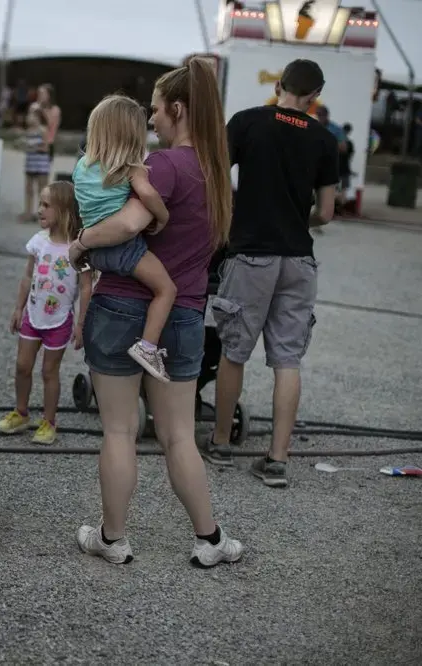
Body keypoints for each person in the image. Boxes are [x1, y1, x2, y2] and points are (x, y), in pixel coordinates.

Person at [69, 58, 243, 568]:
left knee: (120, 431)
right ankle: (210, 540)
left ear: (178, 109)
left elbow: (126, 224)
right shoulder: (215, 173)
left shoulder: (163, 167)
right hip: (186, 314)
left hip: (122, 304)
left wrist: (79, 243)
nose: (152, 120)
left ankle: (113, 537)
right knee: (180, 436)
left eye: (156, 110)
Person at [205, 59, 338, 488]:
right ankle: (277, 460)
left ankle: (222, 443)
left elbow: (215, 180)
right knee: (287, 359)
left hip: (251, 255)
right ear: (315, 96)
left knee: (234, 350)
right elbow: (328, 213)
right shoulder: (324, 139)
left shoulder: (246, 123)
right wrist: (299, 220)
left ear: (279, 84)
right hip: (299, 259)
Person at [71, 95, 175, 382]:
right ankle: (148, 346)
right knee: (166, 290)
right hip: (124, 248)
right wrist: (163, 218)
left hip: (96, 250)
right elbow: (150, 195)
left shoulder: (81, 166)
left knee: (91, 292)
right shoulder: (131, 168)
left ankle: (83, 328)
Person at [0, 181, 92, 445]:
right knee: (22, 366)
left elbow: (86, 287)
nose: (40, 210)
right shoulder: (38, 242)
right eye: (40, 204)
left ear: (64, 210)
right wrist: (18, 307)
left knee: (50, 372)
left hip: (59, 321)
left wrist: (81, 324)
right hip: (33, 316)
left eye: (46, 205)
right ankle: (21, 412)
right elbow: (27, 276)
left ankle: (49, 422)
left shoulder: (78, 248)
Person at [20, 106, 51, 221]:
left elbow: (46, 148)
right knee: (28, 189)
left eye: (32, 115)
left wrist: (32, 147)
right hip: (30, 163)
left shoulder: (42, 130)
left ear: (38, 117)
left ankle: (43, 214)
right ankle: (28, 212)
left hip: (41, 164)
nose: (29, 118)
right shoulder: (28, 131)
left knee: (42, 190)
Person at [36, 84, 62, 169]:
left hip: (48, 143)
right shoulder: (35, 108)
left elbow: (51, 124)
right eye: (39, 94)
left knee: (43, 175)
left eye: (43, 94)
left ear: (49, 95)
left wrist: (41, 111)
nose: (40, 96)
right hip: (35, 142)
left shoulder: (55, 110)